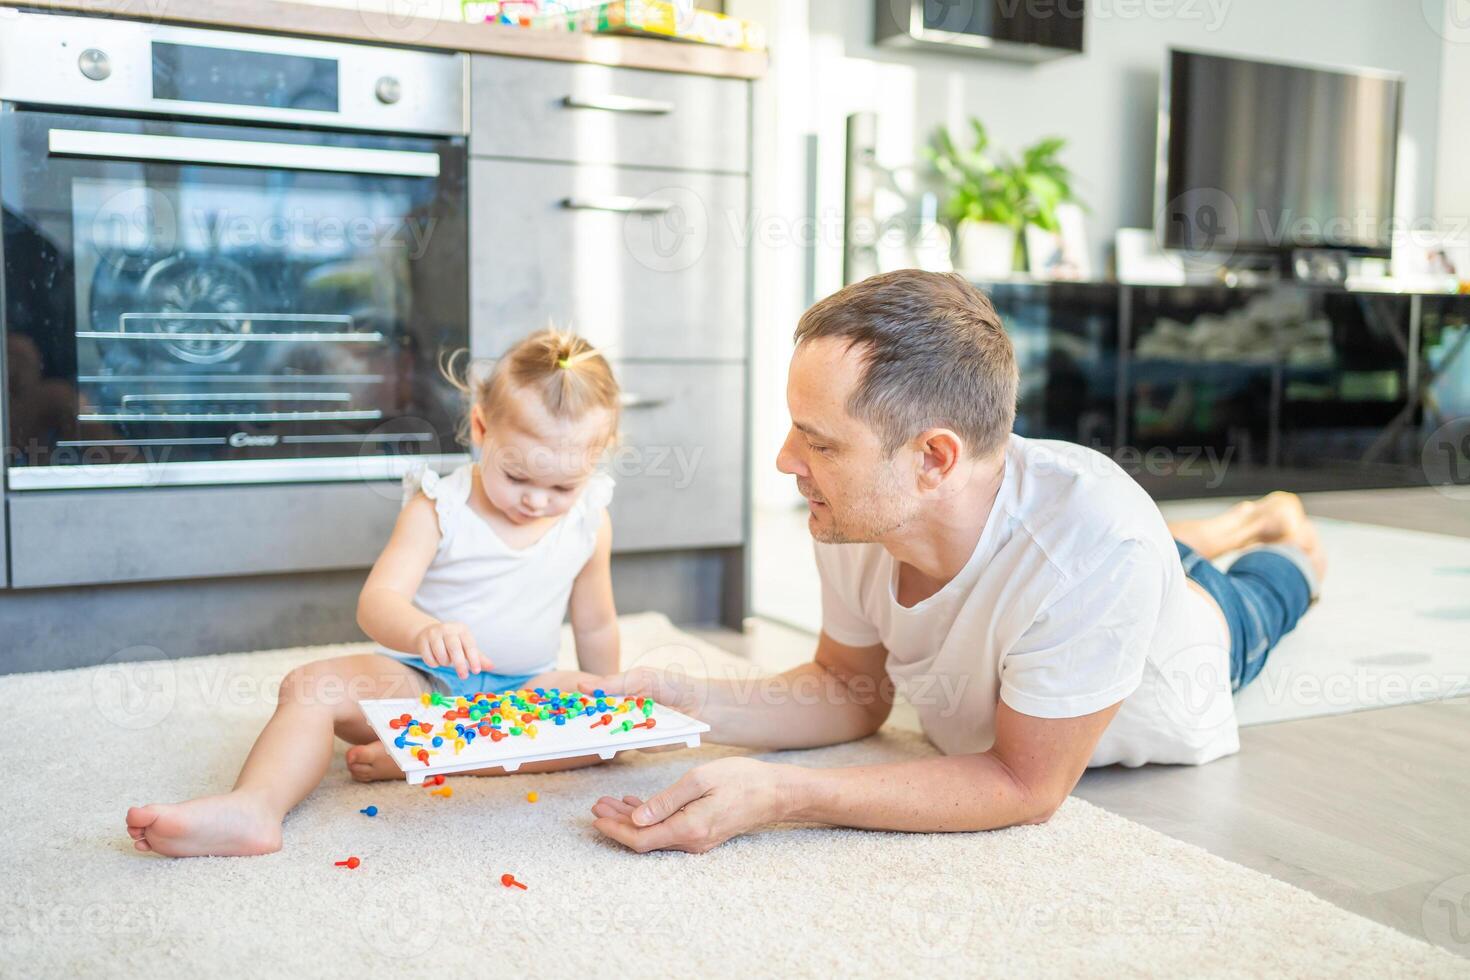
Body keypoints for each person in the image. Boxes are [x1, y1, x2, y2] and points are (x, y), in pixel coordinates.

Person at [581, 270, 1324, 854]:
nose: (786, 461)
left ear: (933, 458)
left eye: (821, 442)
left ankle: (1278, 527)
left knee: (1284, 574)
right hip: (1086, 565)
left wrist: (786, 795)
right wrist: (675, 699)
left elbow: (1022, 783)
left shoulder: (1099, 545)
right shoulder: (852, 511)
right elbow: (851, 686)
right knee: (1151, 546)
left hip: (1211, 631)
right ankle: (1232, 522)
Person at [126, 330, 624, 857]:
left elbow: (596, 623)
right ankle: (255, 807)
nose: (536, 501)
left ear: (598, 458)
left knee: (604, 732)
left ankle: (427, 750)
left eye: (562, 488)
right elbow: (378, 602)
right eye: (517, 474)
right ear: (481, 428)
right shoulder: (439, 507)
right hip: (421, 682)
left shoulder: (590, 520)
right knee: (310, 686)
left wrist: (615, 696)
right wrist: (423, 631)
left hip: (524, 689)